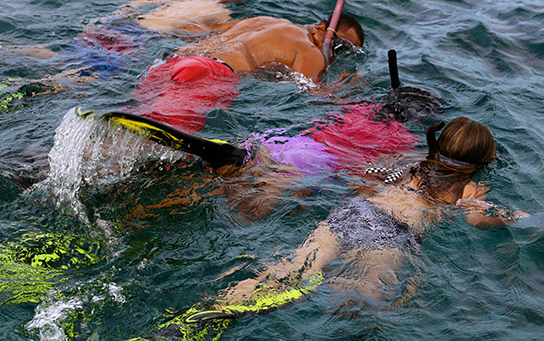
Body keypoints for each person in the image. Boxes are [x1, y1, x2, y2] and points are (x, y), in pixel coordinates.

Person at [133, 117, 529, 340]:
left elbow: (365, 179)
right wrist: (517, 217)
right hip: (391, 235)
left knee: (290, 270)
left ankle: (201, 317)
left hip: (352, 212)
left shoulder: (410, 163)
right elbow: (477, 217)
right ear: (482, 161)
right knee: (357, 306)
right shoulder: (468, 186)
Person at [129, 12, 365, 133]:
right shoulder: (311, 52)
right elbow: (311, 95)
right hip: (207, 74)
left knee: (126, 130)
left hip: (169, 63)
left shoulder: (266, 20)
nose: (336, 54)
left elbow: (200, 30)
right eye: (340, 46)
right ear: (321, 29)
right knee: (158, 148)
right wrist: (344, 87)